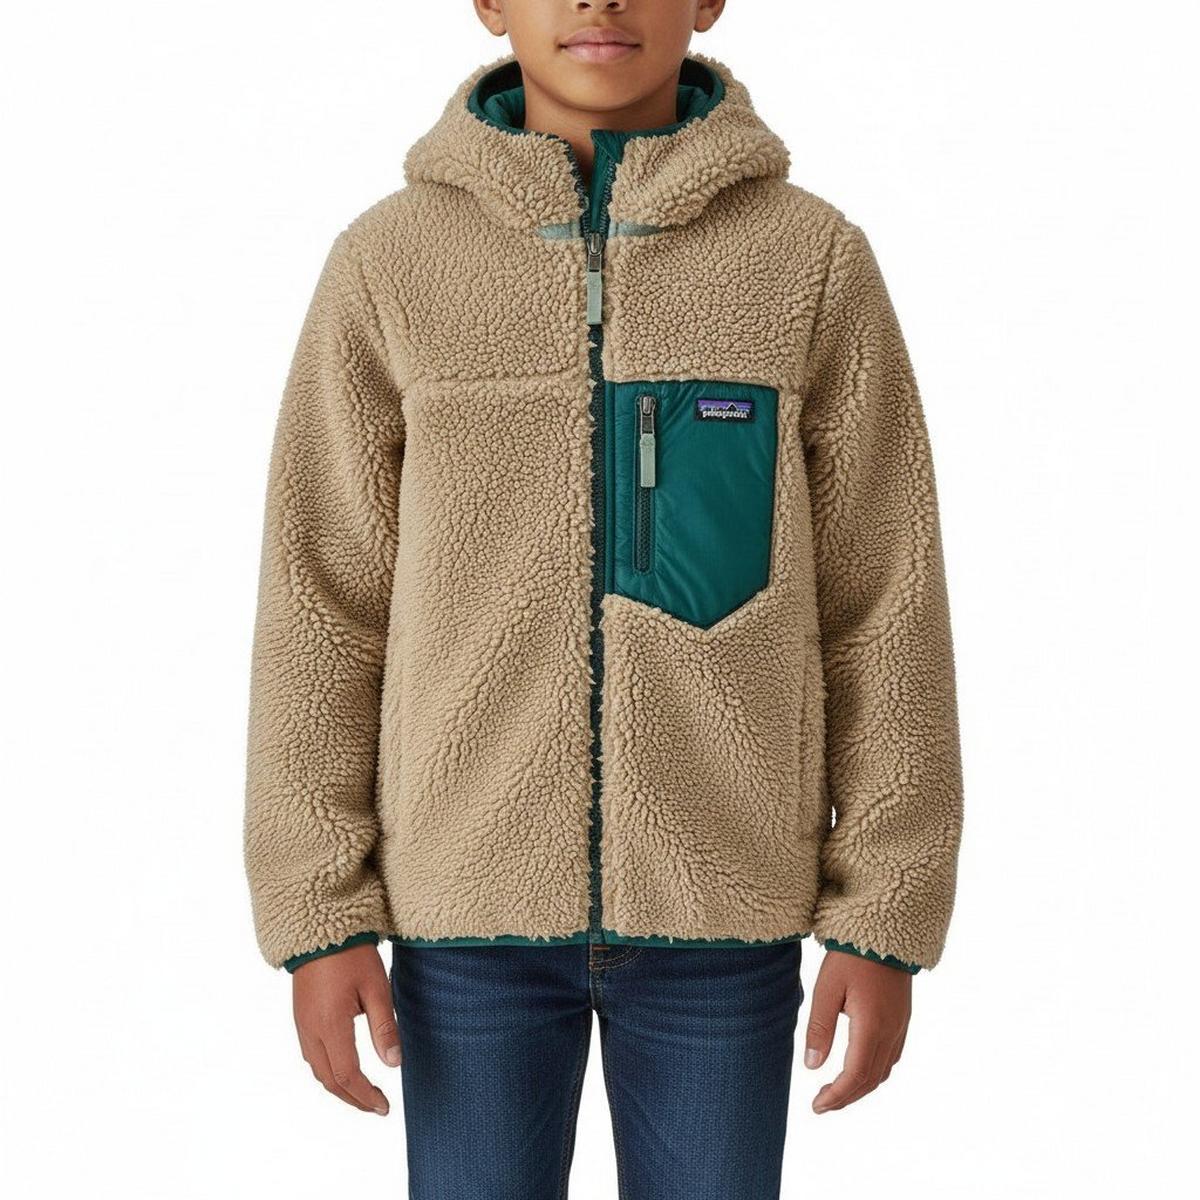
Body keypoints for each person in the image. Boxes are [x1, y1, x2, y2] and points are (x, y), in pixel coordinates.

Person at [243, 2, 964, 1196]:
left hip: (723, 913)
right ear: (489, 3)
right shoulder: (389, 264)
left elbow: (886, 602)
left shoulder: (808, 261)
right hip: (461, 916)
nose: (598, 0)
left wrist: (885, 912)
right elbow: (320, 602)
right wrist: (319, 911)